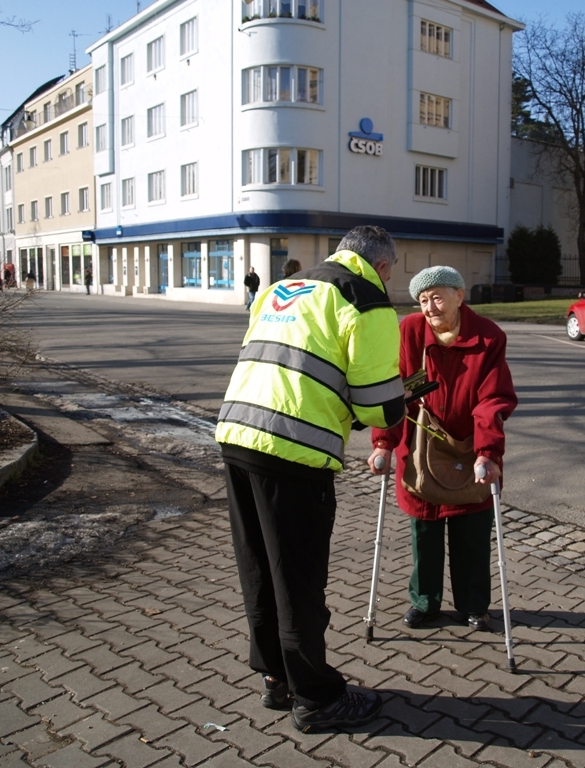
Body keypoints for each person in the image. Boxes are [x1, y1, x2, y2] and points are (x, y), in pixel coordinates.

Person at [215, 225, 405, 733]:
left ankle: (277, 679)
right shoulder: (366, 299)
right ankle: (317, 698)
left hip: (237, 435)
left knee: (259, 568)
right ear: (382, 267)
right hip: (293, 452)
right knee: (297, 579)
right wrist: (399, 400)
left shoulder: (282, 289)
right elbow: (379, 405)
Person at [368, 266, 518, 633]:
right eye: (423, 300)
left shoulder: (488, 336)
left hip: (470, 450)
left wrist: (488, 452)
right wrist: (383, 443)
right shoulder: (409, 331)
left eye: (437, 297)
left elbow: (493, 398)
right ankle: (425, 602)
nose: (430, 307)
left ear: (458, 296)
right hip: (419, 449)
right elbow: (396, 390)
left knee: (472, 534)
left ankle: (474, 606)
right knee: (425, 533)